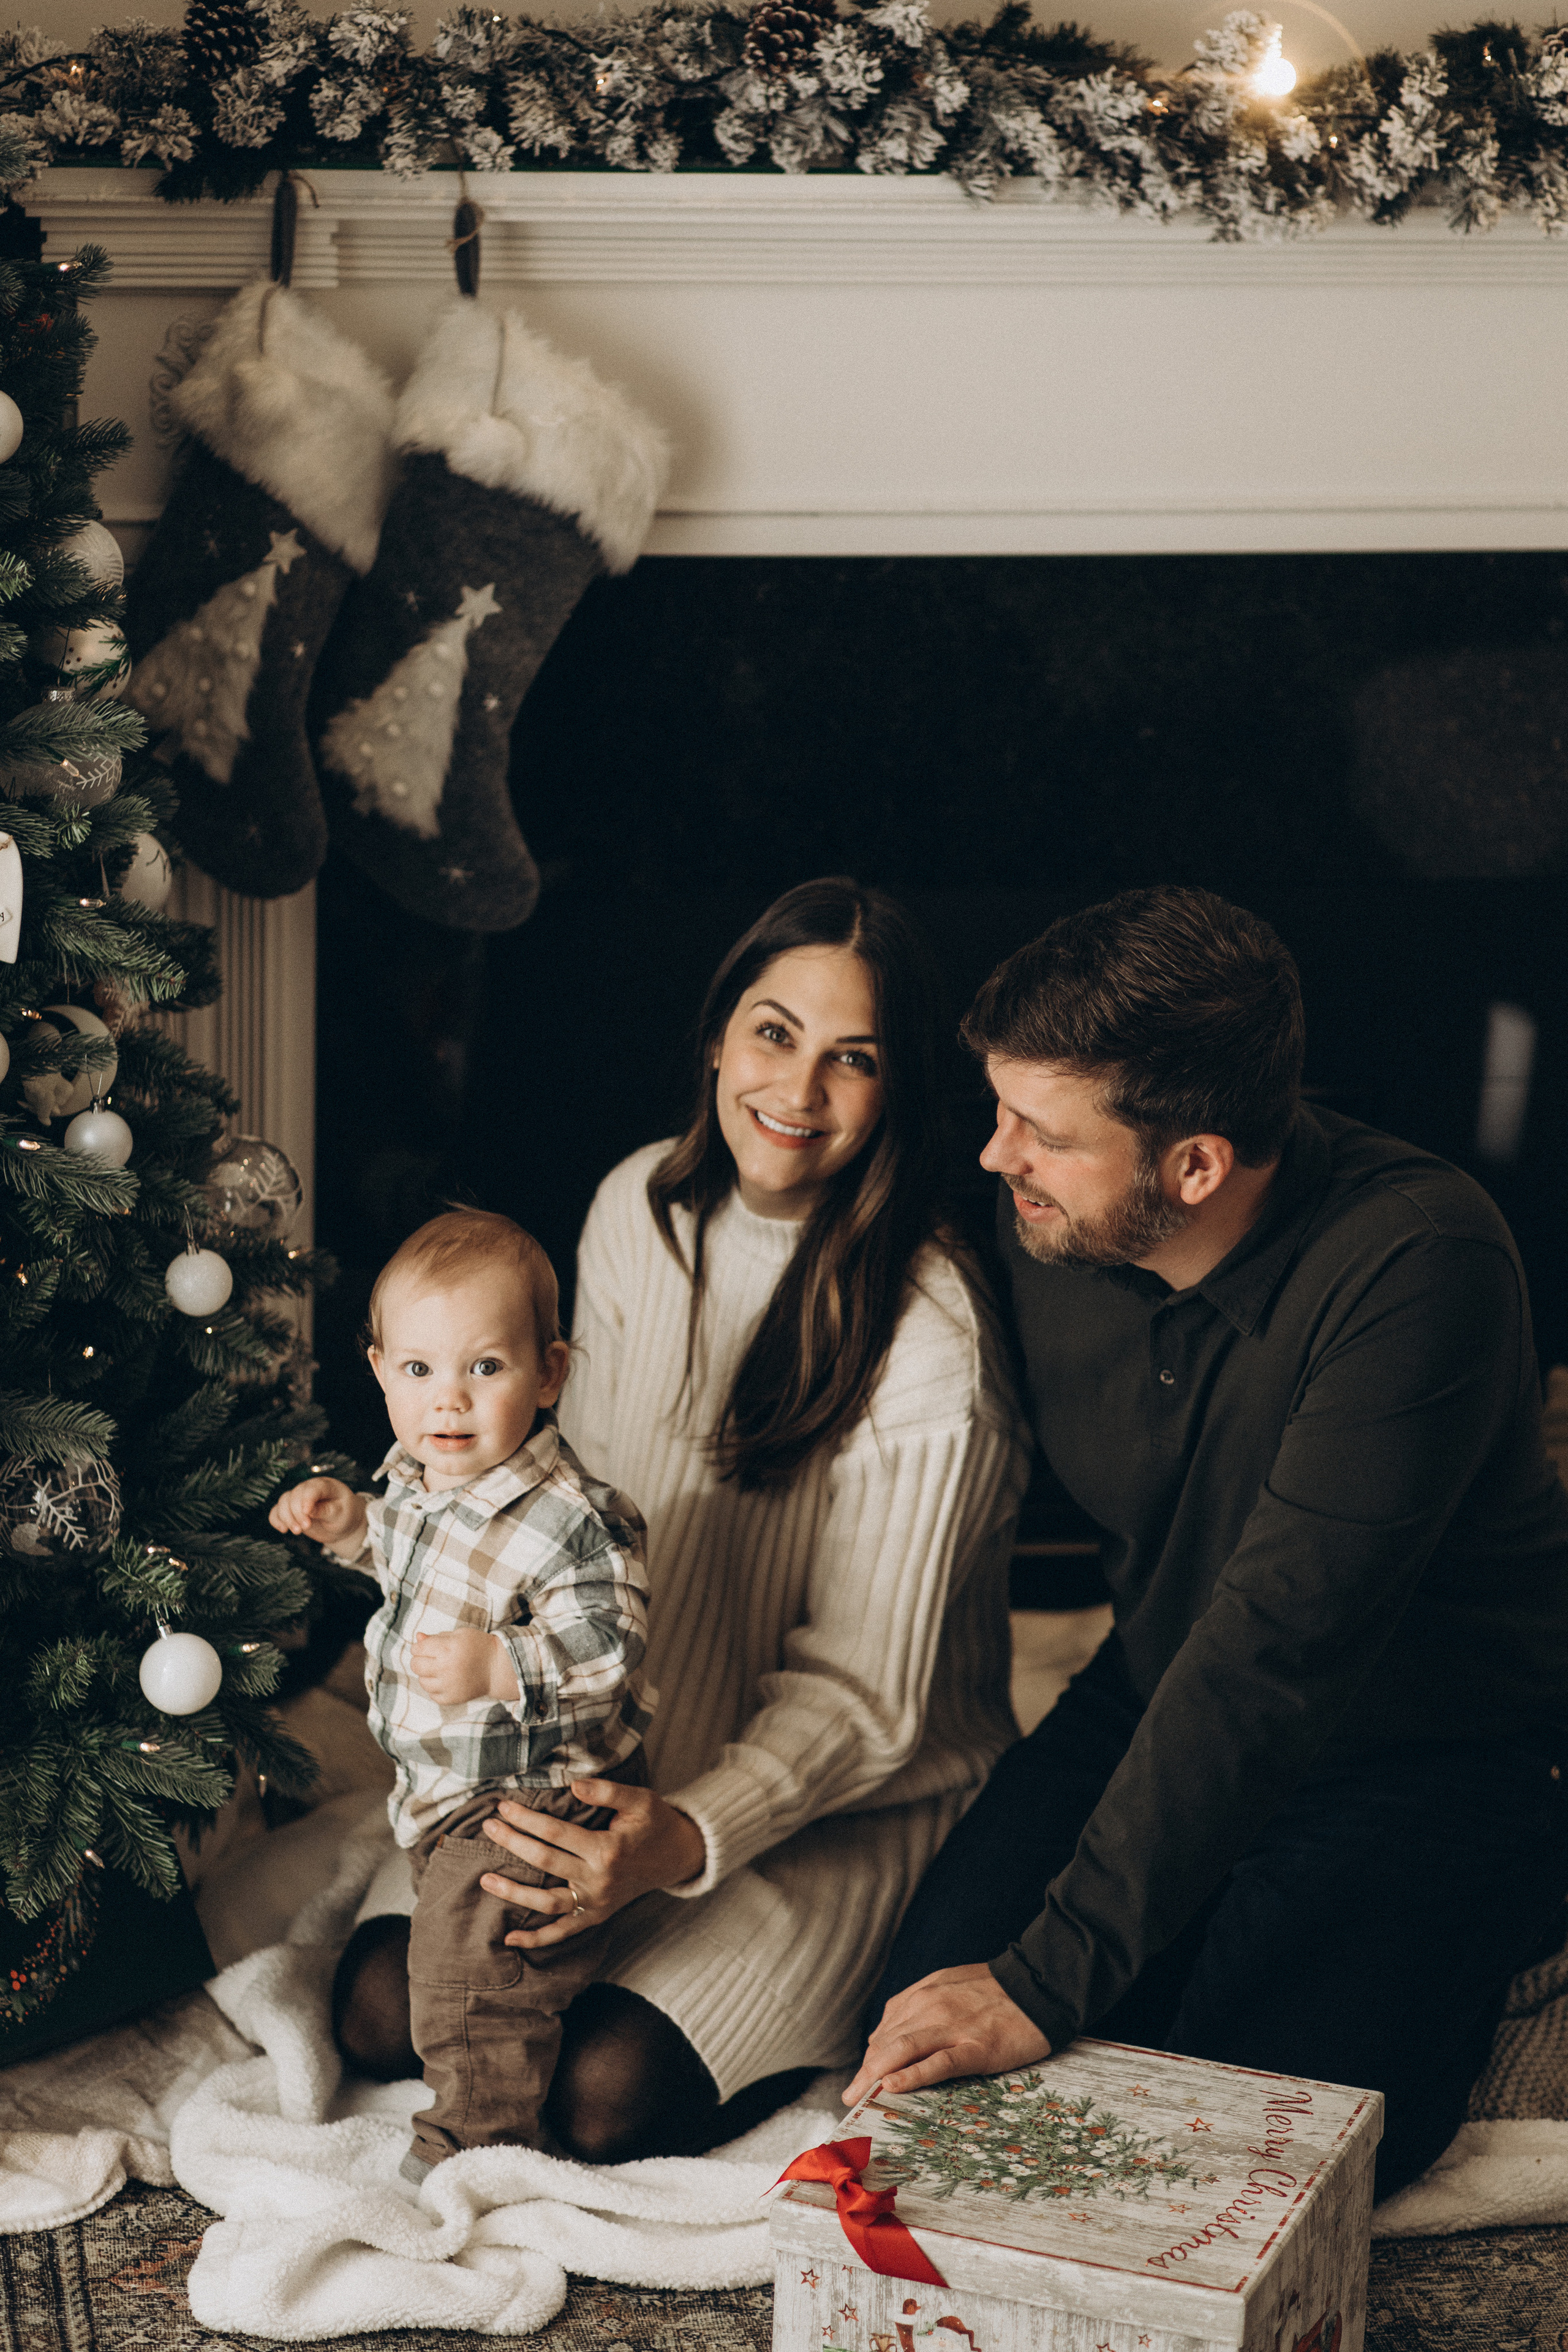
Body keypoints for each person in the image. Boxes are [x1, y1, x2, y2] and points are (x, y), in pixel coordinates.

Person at [851, 884, 1568, 2199]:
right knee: (917, 2047)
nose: (994, 1155)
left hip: (1414, 1744)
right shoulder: (1041, 1218)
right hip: (1145, 1687)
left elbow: (1275, 1654)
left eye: (1040, 1133)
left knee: (1244, 2142)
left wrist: (1052, 1975)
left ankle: (1513, 1895)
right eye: (998, 1110)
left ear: (1192, 1166)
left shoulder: (1418, 1260)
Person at [332, 876, 1030, 2162]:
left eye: (853, 1059)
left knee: (600, 2092)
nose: (799, 1091)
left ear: (896, 1091)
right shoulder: (628, 1208)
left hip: (824, 1805)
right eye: (773, 1034)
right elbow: (532, 1517)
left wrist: (685, 1836)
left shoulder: (930, 1336)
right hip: (596, 1751)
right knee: (379, 2010)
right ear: (717, 1036)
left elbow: (868, 1703)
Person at [270, 1209, 653, 2180]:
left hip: (536, 1790)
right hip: (445, 1786)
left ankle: (479, 2149)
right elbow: (407, 1557)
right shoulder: (423, 1476)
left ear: (550, 1374)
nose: (449, 1401)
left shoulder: (572, 1520)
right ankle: (539, 2013)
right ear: (380, 1371)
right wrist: (354, 1527)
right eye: (419, 1371)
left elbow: (611, 1650)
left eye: (485, 1368)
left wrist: (502, 1666)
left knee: (467, 1972)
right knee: (453, 1958)